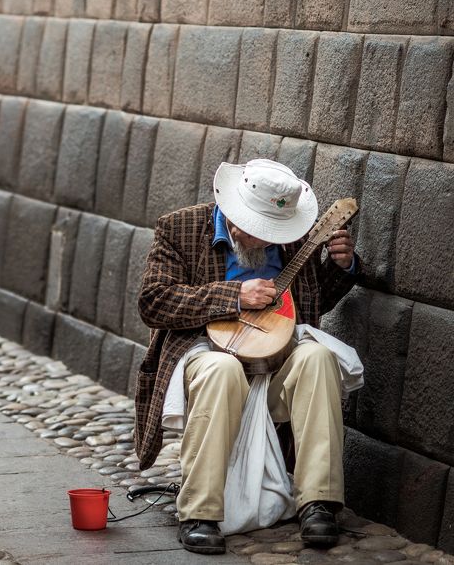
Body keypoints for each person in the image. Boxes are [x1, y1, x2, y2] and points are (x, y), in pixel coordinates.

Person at [135, 159, 360, 555]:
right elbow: (154, 301)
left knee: (318, 359)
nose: (262, 239)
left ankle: (318, 502)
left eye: (270, 233)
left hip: (275, 361)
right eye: (256, 230)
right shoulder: (180, 228)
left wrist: (341, 267)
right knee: (222, 370)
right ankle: (200, 512)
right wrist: (233, 296)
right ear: (234, 213)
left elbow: (309, 302)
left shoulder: (294, 239)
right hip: (205, 351)